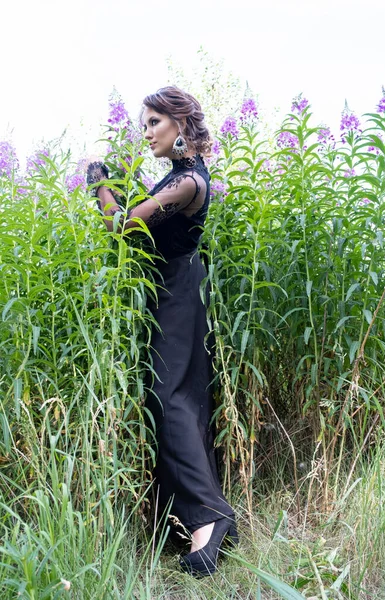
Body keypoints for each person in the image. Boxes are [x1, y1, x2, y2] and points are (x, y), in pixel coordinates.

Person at [87, 86, 238, 576]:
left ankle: (211, 519)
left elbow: (126, 227)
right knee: (181, 399)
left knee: (170, 399)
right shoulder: (179, 176)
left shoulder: (188, 180)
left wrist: (100, 185)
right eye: (144, 123)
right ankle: (192, 522)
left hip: (176, 290)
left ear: (179, 123)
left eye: (154, 121)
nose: (147, 131)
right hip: (176, 288)